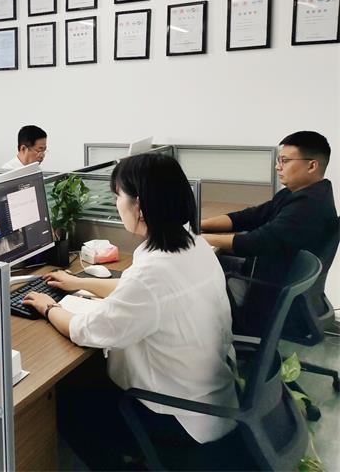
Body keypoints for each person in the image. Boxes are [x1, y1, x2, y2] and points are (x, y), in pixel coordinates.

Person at [23, 153, 239, 470]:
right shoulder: (194, 246)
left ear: (139, 206)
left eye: (118, 196)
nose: (116, 204)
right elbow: (140, 291)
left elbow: (85, 329)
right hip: (215, 399)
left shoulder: (152, 275)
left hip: (178, 416)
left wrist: (49, 307)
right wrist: (77, 283)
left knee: (66, 400)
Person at [201, 131, 337, 330]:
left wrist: (198, 238)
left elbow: (254, 242)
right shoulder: (299, 194)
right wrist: (201, 224)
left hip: (267, 294)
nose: (277, 166)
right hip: (270, 277)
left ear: (311, 166)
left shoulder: (308, 207)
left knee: (194, 277)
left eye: (285, 160)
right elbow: (251, 216)